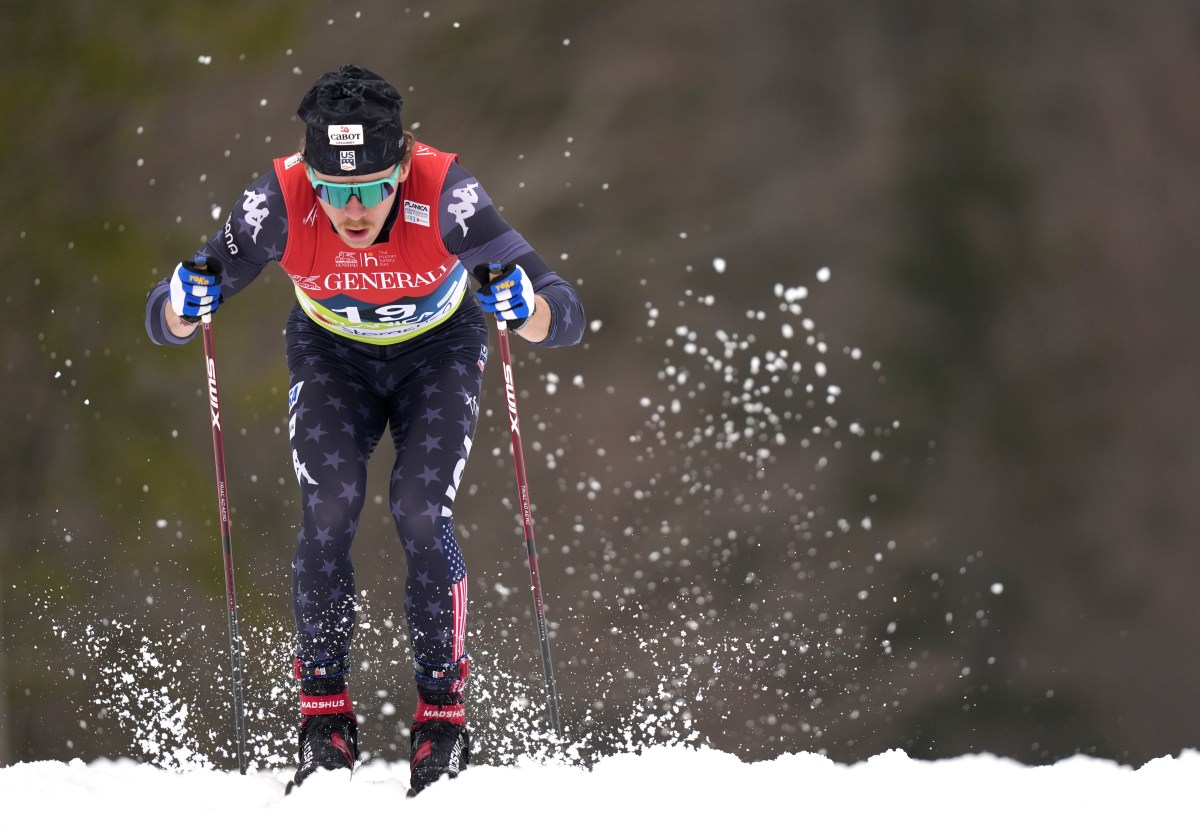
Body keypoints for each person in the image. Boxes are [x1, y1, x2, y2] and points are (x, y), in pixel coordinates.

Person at [145, 64, 585, 794]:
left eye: (374, 188)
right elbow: (168, 314)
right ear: (309, 175)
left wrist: (525, 309)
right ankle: (324, 718)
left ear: (402, 168)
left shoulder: (446, 193)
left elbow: (564, 313)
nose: (353, 210)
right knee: (329, 505)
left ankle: (442, 717)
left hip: (438, 354)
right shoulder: (277, 201)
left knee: (419, 509)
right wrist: (182, 305)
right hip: (332, 357)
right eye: (334, 189)